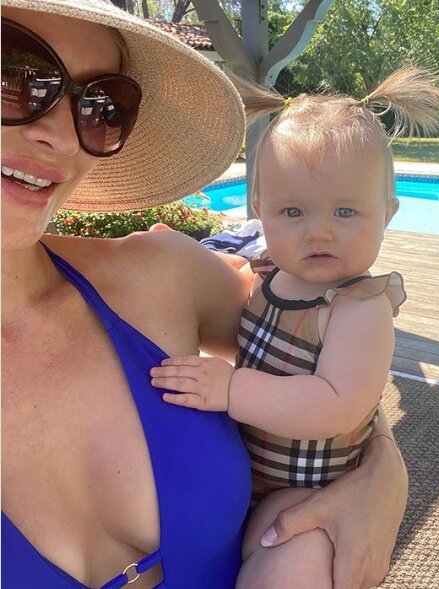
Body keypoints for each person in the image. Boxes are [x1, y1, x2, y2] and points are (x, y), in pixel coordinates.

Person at [1, 1, 408, 588]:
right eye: (14, 76)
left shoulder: (158, 275)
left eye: (100, 104)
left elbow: (320, 350)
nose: (64, 136)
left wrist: (380, 469)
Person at [152, 67, 439, 588]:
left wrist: (232, 389)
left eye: (346, 211)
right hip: (248, 470)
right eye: (293, 211)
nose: (319, 232)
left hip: (308, 487)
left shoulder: (358, 308)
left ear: (387, 213)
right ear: (259, 211)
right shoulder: (268, 274)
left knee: (287, 560)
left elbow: (338, 404)